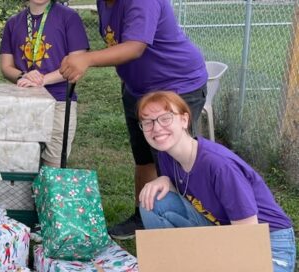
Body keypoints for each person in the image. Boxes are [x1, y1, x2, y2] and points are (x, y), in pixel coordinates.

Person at [59, 0, 209, 239]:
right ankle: (143, 217)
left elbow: (134, 46)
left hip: (175, 85)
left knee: (175, 162)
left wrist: (87, 59)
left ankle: (188, 230)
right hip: (138, 89)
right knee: (144, 157)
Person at [136, 91, 296, 272]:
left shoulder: (219, 166)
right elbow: (187, 189)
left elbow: (247, 237)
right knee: (153, 200)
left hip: (267, 243)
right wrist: (165, 180)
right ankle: (175, 263)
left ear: (184, 120)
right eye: (148, 122)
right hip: (223, 229)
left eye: (165, 118)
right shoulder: (166, 155)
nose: (156, 128)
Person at [0, 0, 89, 167]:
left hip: (59, 101)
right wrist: (24, 76)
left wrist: (41, 81)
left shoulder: (69, 17)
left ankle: (48, 190)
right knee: (19, 160)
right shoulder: (13, 23)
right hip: (24, 101)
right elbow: (6, 67)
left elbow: (78, 61)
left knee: (53, 162)